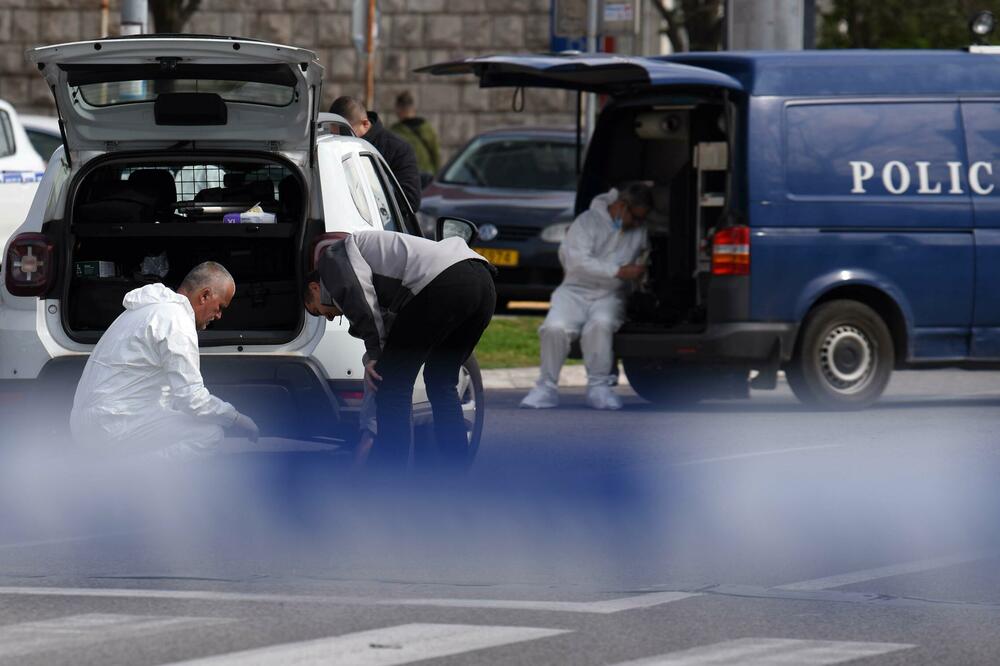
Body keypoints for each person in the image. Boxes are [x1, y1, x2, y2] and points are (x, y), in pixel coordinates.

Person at [303, 229, 495, 470]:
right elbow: (397, 329)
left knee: (392, 384)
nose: (329, 317)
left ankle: (390, 478)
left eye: (317, 311)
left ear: (314, 288)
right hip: (483, 284)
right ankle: (454, 473)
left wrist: (374, 355)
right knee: (441, 381)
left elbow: (359, 296)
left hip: (445, 284)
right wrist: (375, 354)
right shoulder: (376, 267)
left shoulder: (332, 258)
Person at [70, 262, 259, 461]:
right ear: (204, 296)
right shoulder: (176, 321)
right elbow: (192, 399)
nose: (219, 315)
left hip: (90, 423)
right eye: (220, 307)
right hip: (111, 425)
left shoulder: (150, 310)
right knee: (210, 434)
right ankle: (126, 474)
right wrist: (236, 418)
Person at [520, 183, 652, 411]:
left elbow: (642, 259)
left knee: (600, 325)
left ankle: (599, 387)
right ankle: (545, 388)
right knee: (554, 329)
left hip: (610, 293)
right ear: (621, 206)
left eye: (642, 220)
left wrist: (637, 273)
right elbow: (577, 263)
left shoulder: (638, 231)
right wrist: (618, 271)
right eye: (635, 218)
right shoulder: (586, 222)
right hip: (574, 290)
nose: (637, 224)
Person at [330, 95, 422, 212]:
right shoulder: (333, 146)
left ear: (365, 124)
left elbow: (410, 201)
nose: (340, 140)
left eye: (345, 133)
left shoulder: (398, 150)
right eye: (334, 135)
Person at [390, 90, 441, 178]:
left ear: (398, 108)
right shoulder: (426, 127)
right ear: (413, 108)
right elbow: (436, 154)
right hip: (428, 174)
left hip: (406, 176)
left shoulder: (395, 131)